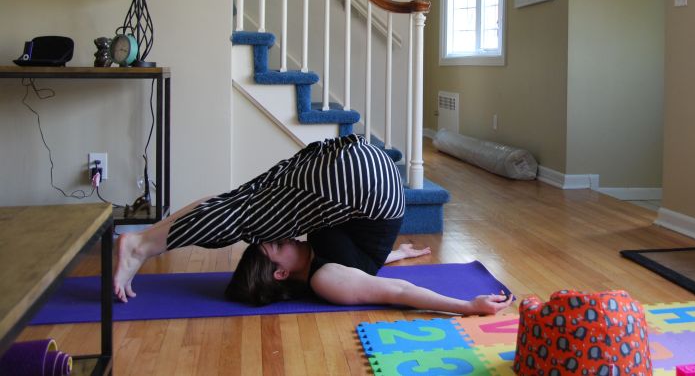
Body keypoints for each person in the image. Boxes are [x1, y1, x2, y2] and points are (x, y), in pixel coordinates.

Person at [114, 134, 513, 316]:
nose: (272, 238)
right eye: (270, 246)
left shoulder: (320, 249)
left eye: (268, 242)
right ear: (282, 272)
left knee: (237, 203)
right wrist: (466, 306)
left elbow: (365, 259)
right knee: (240, 213)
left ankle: (141, 243)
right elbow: (395, 291)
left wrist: (394, 253)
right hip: (361, 180)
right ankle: (140, 245)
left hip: (355, 171)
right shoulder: (325, 280)